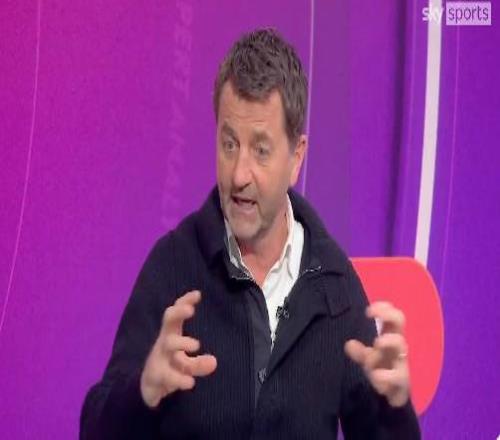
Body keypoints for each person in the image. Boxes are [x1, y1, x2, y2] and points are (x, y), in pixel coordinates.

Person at [80, 28, 420, 439]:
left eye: (261, 150)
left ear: (296, 157)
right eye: (229, 144)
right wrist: (143, 392)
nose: (239, 174)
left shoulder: (336, 288)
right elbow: (94, 429)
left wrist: (394, 411)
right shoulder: (172, 265)